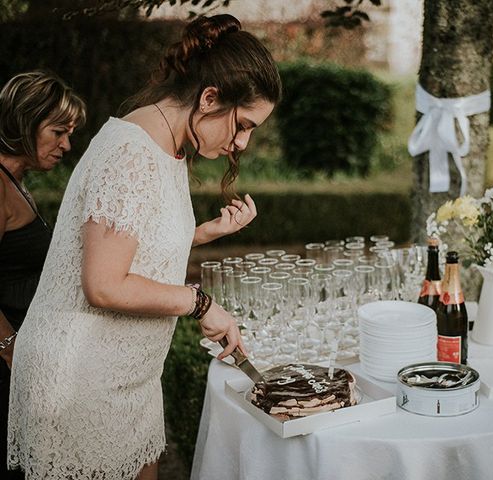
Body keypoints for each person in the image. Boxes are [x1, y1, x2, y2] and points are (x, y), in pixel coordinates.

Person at [7, 14, 281, 480]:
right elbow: (104, 284)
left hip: (124, 378)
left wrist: (201, 233)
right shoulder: (131, 152)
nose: (242, 143)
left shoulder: (166, 147)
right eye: (244, 125)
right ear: (209, 97)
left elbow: (128, 240)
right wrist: (201, 304)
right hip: (80, 380)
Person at [0, 71, 86, 480]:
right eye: (57, 132)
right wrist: (11, 349)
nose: (66, 145)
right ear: (24, 123)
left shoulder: (17, 181)